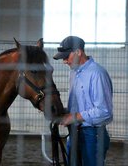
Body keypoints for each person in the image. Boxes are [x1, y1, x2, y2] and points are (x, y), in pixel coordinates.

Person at [53, 36, 113, 166]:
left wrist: (73, 117)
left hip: (93, 135)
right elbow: (80, 105)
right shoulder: (74, 73)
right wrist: (61, 113)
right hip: (74, 133)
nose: (64, 61)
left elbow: (104, 112)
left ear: (78, 52)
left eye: (66, 57)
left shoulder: (97, 73)